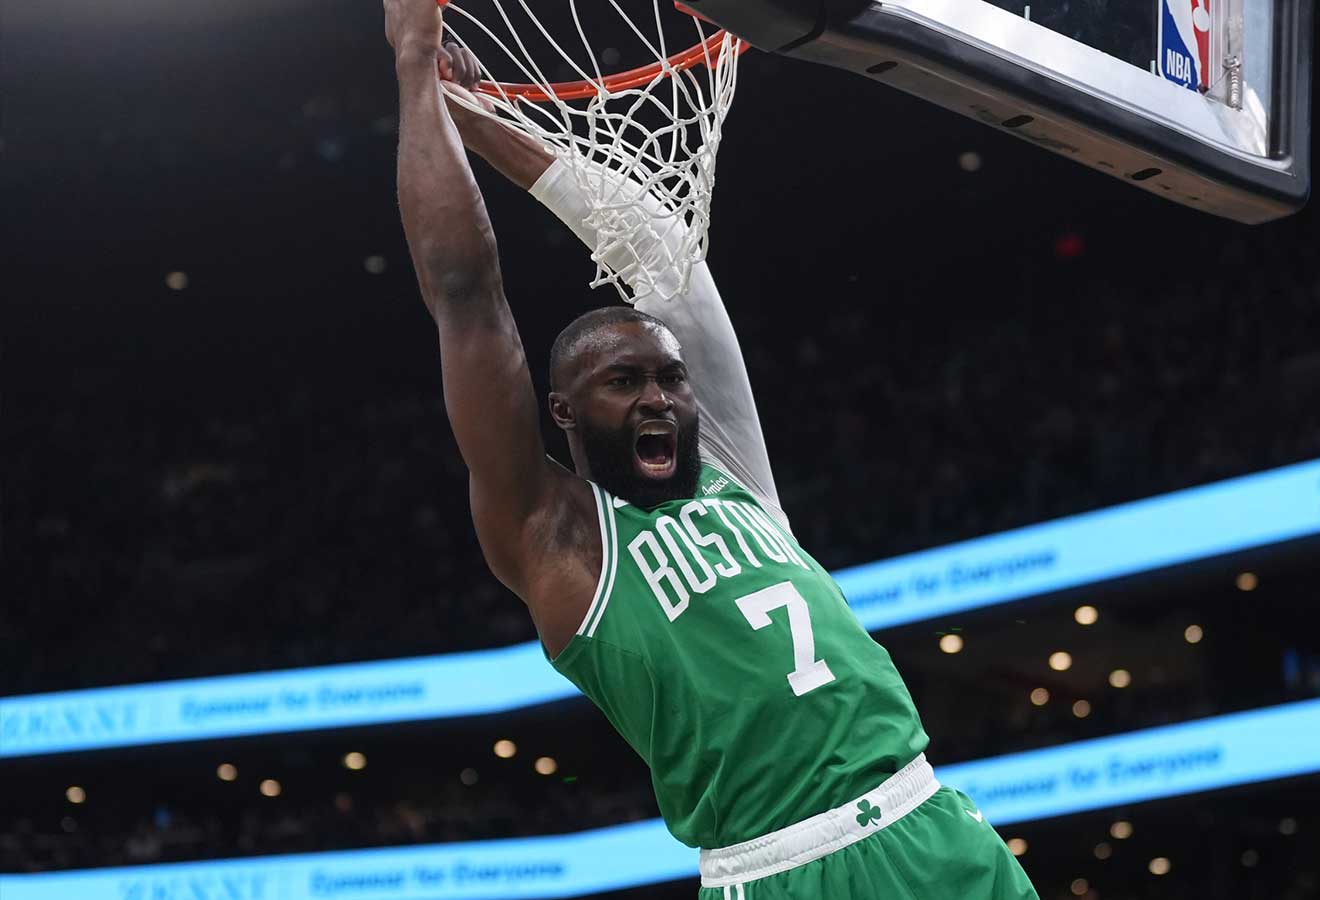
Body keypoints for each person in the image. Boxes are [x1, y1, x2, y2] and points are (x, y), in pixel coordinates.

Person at [383, 1, 1038, 896]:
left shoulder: (731, 467)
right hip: (780, 872)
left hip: (931, 829)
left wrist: (478, 114)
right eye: (624, 382)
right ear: (563, 414)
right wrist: (415, 60)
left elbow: (653, 239)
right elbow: (464, 291)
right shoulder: (556, 538)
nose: (659, 395)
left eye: (670, 378)